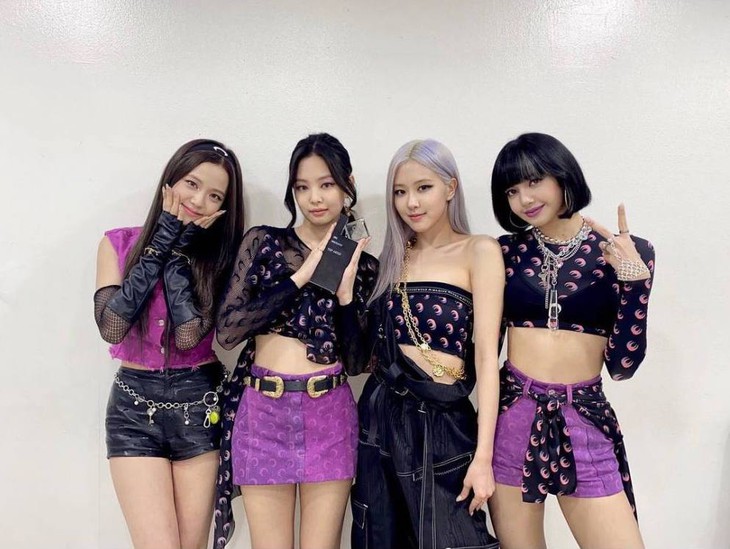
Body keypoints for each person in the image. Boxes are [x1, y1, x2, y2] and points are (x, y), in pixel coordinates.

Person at [488, 132, 655, 549]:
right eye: (511, 190)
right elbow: (486, 352)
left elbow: (622, 367)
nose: (524, 199)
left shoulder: (627, 250)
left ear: (563, 175)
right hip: (513, 415)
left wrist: (635, 283)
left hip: (583, 415)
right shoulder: (504, 252)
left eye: (534, 181)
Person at [212, 133, 378, 549]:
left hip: (330, 413)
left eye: (326, 184)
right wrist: (300, 277)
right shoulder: (264, 243)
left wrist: (345, 297)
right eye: (302, 187)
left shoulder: (366, 266)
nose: (314, 198)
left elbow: (358, 362)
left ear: (348, 184)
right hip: (263, 412)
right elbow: (228, 331)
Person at [349, 139, 503, 549]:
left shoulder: (479, 250)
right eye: (400, 192)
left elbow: (487, 358)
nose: (411, 203)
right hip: (382, 416)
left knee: (453, 537)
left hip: (444, 423)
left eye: (423, 188)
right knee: (380, 535)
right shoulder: (393, 258)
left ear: (450, 187)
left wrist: (484, 457)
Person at [94, 139, 245, 549]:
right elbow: (112, 327)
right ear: (169, 182)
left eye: (214, 196)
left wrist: (179, 255)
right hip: (132, 411)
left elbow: (188, 335)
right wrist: (161, 243)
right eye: (191, 184)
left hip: (200, 405)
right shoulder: (117, 243)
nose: (198, 200)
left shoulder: (224, 259)